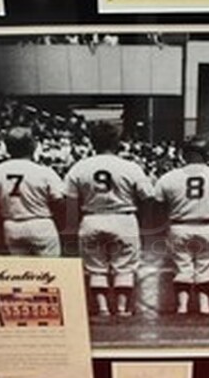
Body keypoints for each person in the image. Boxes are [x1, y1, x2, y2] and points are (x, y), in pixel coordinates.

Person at [64, 121, 153, 317]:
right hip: (124, 218)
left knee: (95, 269)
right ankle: (121, 309)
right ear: (118, 142)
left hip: (92, 218)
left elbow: (70, 201)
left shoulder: (79, 167)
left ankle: (102, 308)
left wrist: (73, 228)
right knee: (125, 267)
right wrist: (143, 222)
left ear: (92, 142)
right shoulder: (131, 167)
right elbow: (148, 197)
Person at [153, 135, 209, 315]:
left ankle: (182, 306)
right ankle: (204, 306)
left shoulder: (169, 177)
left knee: (182, 267)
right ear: (207, 153)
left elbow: (158, 203)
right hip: (208, 225)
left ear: (185, 153)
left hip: (179, 225)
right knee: (205, 267)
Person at [0, 126, 65, 256]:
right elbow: (59, 202)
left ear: (8, 148)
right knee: (50, 271)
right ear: (32, 146)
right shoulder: (44, 172)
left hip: (12, 225)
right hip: (41, 223)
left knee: (23, 272)